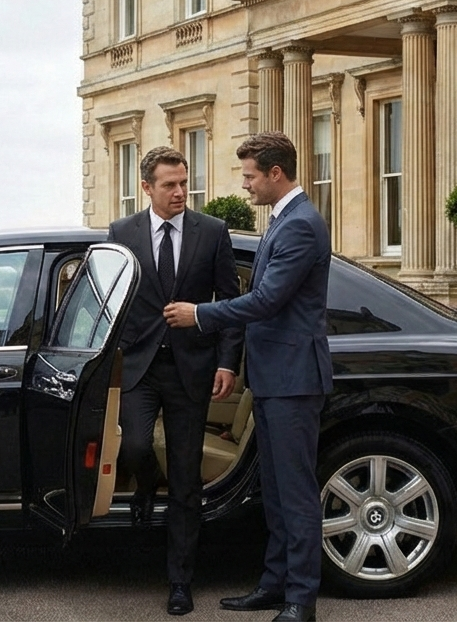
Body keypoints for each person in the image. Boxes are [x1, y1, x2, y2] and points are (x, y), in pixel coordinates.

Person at [164, 132, 331, 622]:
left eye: (250, 176)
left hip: (295, 379)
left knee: (296, 494)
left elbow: (266, 301)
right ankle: (276, 585)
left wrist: (200, 314)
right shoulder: (284, 220)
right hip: (276, 377)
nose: (245, 185)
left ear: (275, 174)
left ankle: (301, 600)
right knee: (276, 491)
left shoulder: (301, 225)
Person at [106, 146, 243, 616]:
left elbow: (229, 303)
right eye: (169, 184)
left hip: (192, 371)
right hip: (140, 369)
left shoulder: (213, 232)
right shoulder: (121, 232)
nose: (180, 191)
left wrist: (226, 363)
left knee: (187, 481)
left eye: (184, 182)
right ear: (147, 188)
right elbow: (111, 301)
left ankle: (180, 580)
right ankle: (146, 485)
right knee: (136, 448)